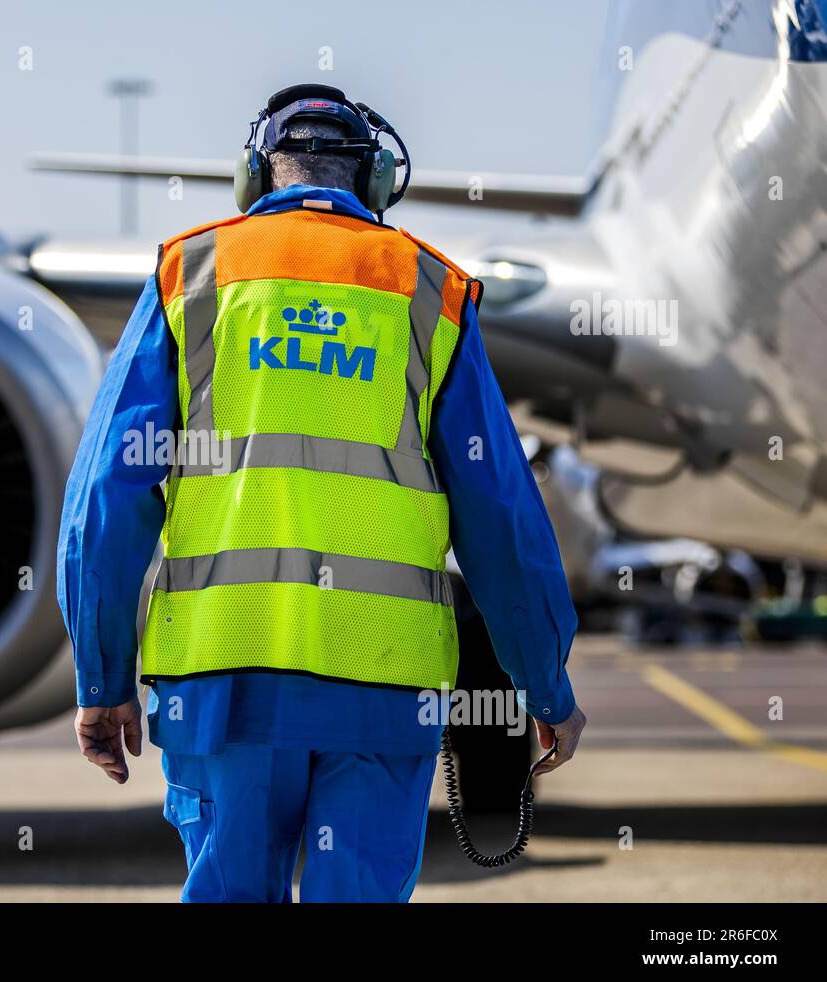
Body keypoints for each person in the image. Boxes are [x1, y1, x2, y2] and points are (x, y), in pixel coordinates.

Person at [56, 83, 586, 902]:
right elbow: (501, 517)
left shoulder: (189, 276)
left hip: (221, 681)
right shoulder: (428, 293)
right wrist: (542, 685)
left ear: (253, 178)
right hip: (380, 683)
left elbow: (105, 499)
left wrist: (101, 680)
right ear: (374, 183)